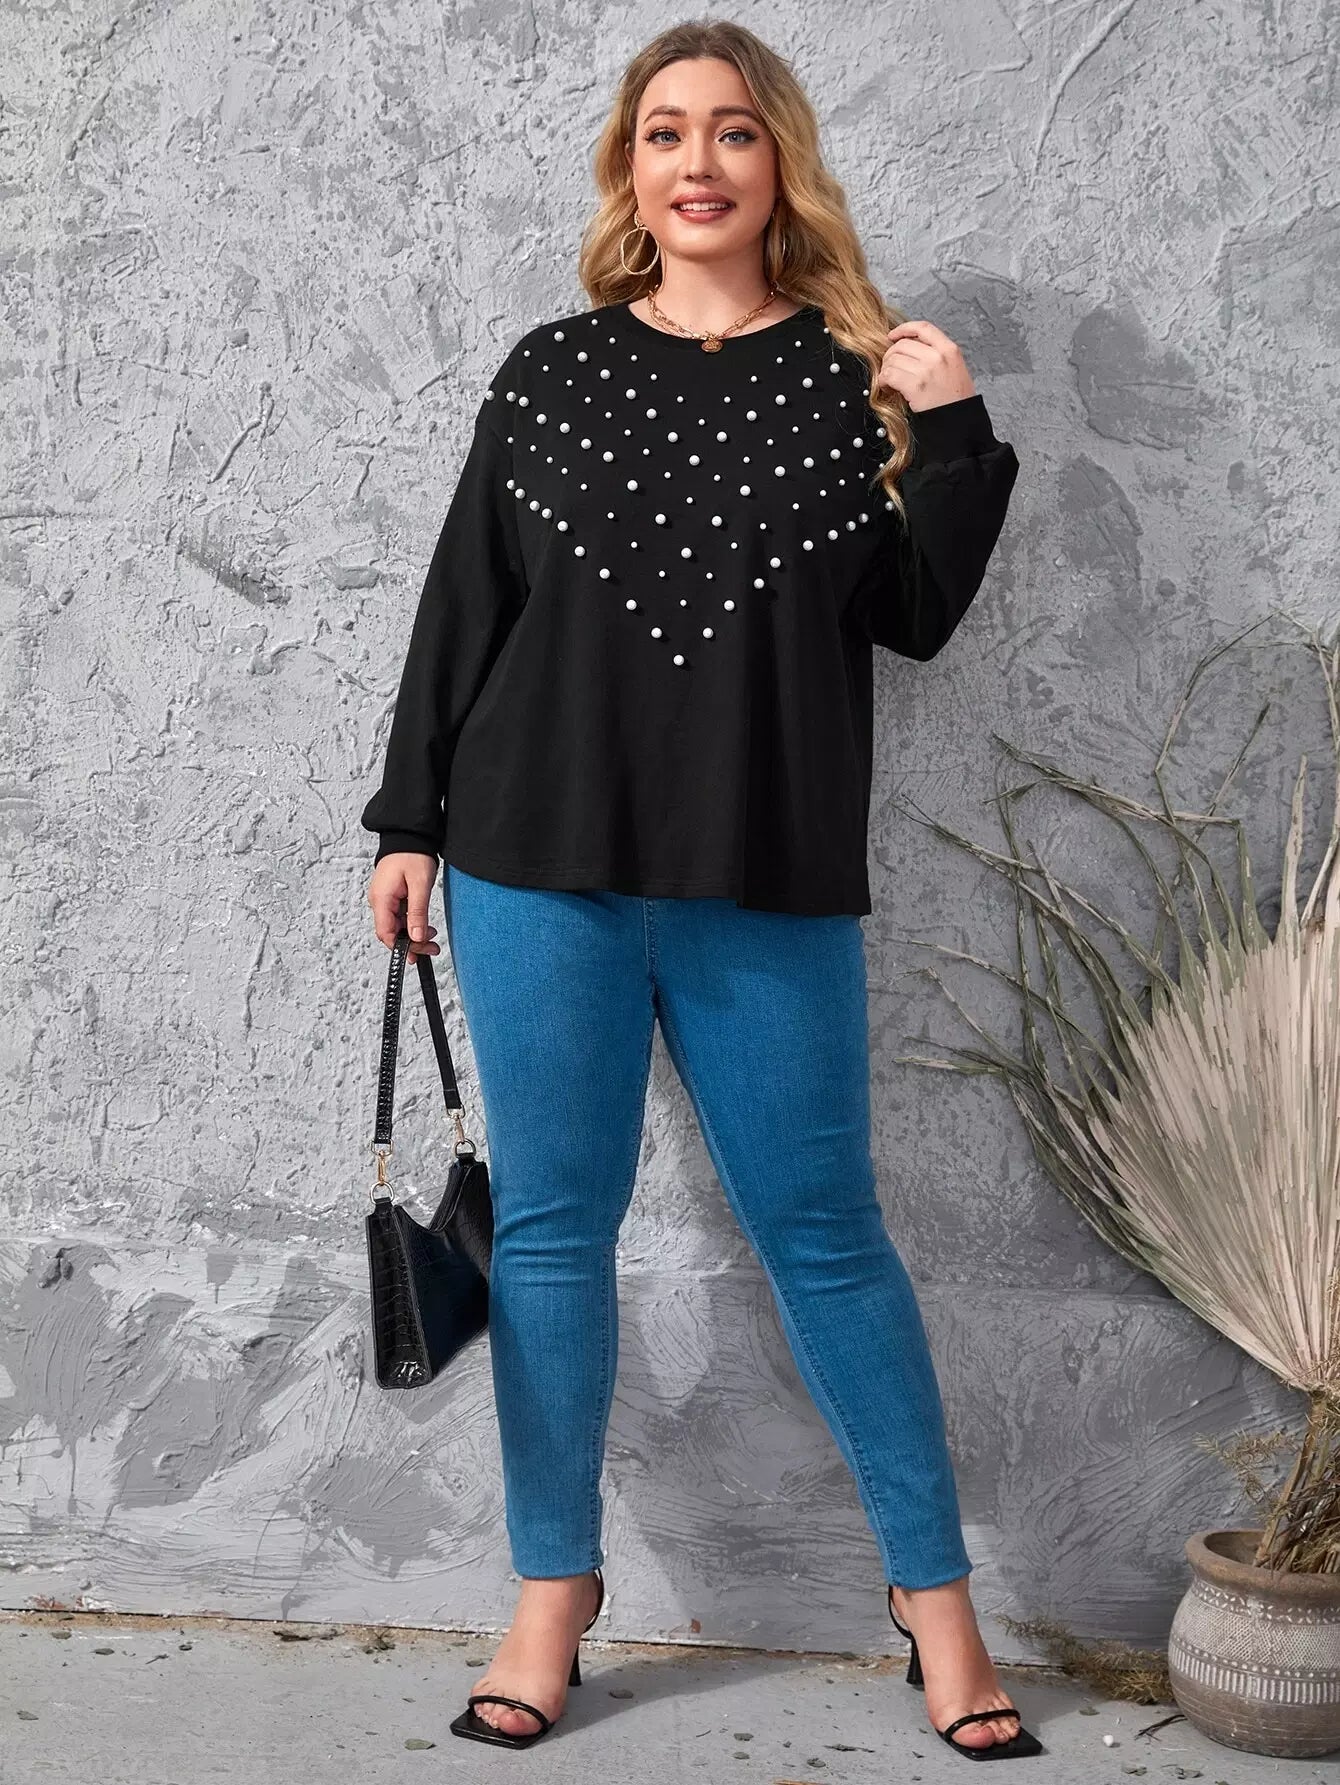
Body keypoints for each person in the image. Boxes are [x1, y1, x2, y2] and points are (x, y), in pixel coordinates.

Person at [361, 17, 1036, 1762]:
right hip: (534, 864)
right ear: (630, 169)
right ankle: (551, 1594)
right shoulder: (551, 371)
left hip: (764, 870)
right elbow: (463, 605)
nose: (698, 162)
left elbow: (916, 619)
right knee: (554, 1234)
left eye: (733, 131)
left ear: (777, 161)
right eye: (664, 132)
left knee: (828, 1236)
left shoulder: (852, 381)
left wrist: (955, 430)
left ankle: (935, 1601)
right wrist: (407, 818)